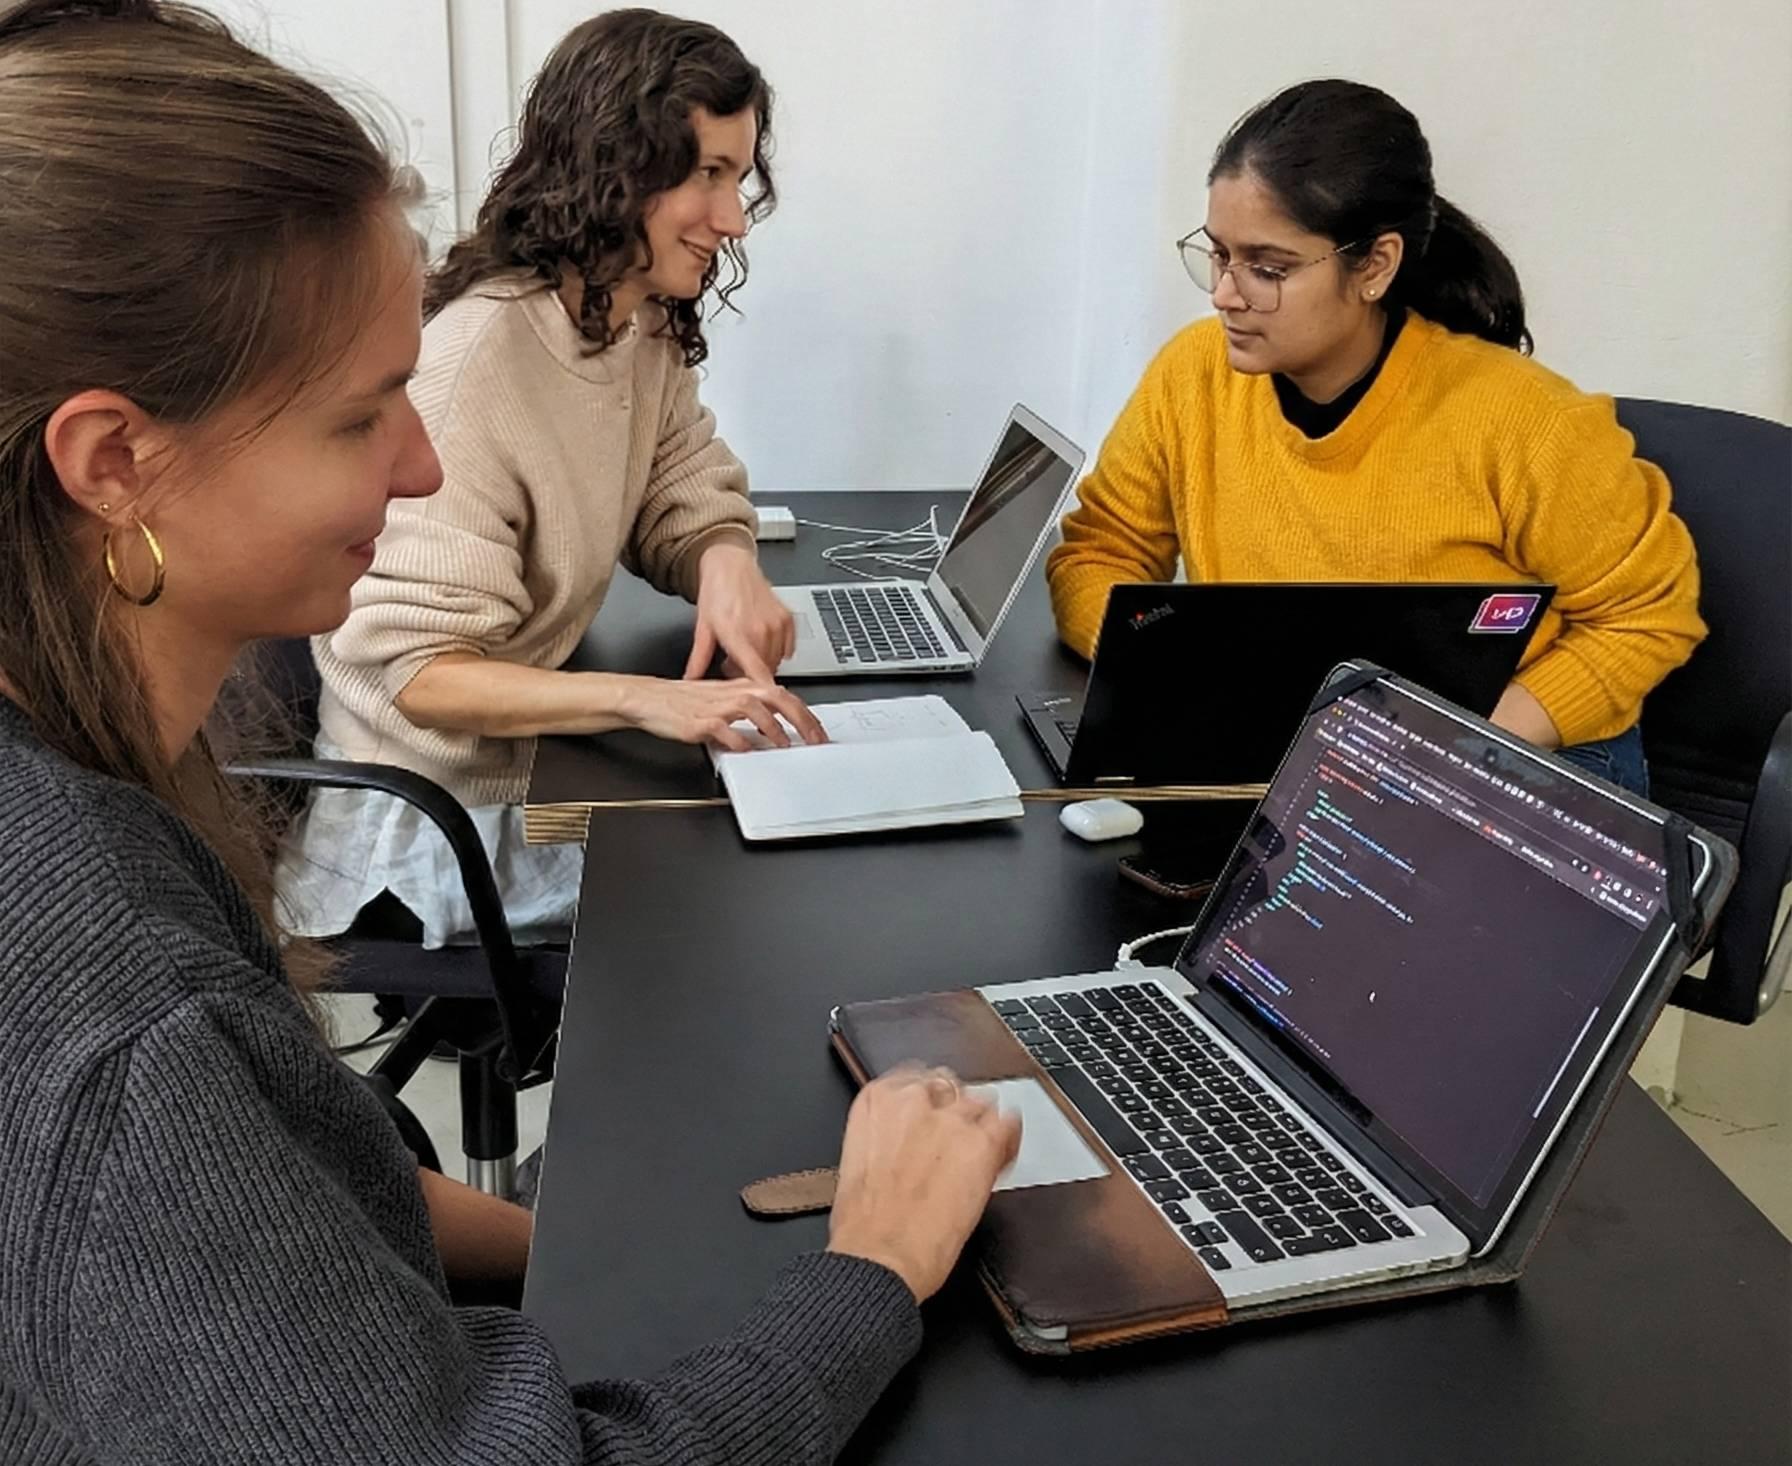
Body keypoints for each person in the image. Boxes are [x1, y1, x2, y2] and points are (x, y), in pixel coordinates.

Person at [0, 3, 1016, 1461]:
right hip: (437, 823)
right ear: (114, 464)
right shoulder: (121, 1020)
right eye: (363, 420)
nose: (419, 465)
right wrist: (870, 1278)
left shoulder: (107, 830)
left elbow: (276, 1185)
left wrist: (580, 1239)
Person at [280, 9, 820, 947]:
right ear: (622, 168)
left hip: (526, 769)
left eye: (739, 176)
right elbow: (416, 673)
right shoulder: (476, 368)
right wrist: (649, 700)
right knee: (753, 893)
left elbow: (675, 469)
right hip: (438, 820)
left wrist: (727, 561)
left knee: (774, 841)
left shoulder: (629, 317)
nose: (733, 219)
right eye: (710, 176)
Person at [1046, 79, 1704, 796]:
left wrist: (1452, 747)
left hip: (1505, 749)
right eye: (1219, 254)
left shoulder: (1528, 423)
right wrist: (1170, 670)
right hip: (1297, 740)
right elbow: (1104, 547)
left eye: (1267, 269)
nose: (1225, 293)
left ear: (1376, 267)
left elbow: (1649, 614)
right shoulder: (1191, 374)